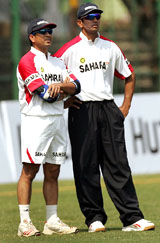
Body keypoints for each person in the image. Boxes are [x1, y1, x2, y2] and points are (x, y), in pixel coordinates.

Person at [53, 2, 155, 232]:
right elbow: (53, 78)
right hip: (82, 110)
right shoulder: (68, 50)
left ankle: (132, 218)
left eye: (97, 15)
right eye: (89, 17)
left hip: (109, 109)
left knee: (118, 164)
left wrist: (125, 106)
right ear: (80, 22)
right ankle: (94, 218)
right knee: (85, 166)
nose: (95, 19)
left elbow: (129, 75)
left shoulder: (110, 46)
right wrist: (64, 101)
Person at [16, 18, 80, 237]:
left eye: (50, 31)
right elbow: (44, 95)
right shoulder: (27, 61)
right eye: (42, 31)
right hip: (36, 121)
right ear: (32, 37)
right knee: (29, 171)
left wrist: (59, 86)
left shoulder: (58, 62)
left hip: (57, 120)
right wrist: (63, 93)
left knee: (53, 170)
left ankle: (51, 221)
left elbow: (76, 86)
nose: (48, 34)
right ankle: (24, 222)